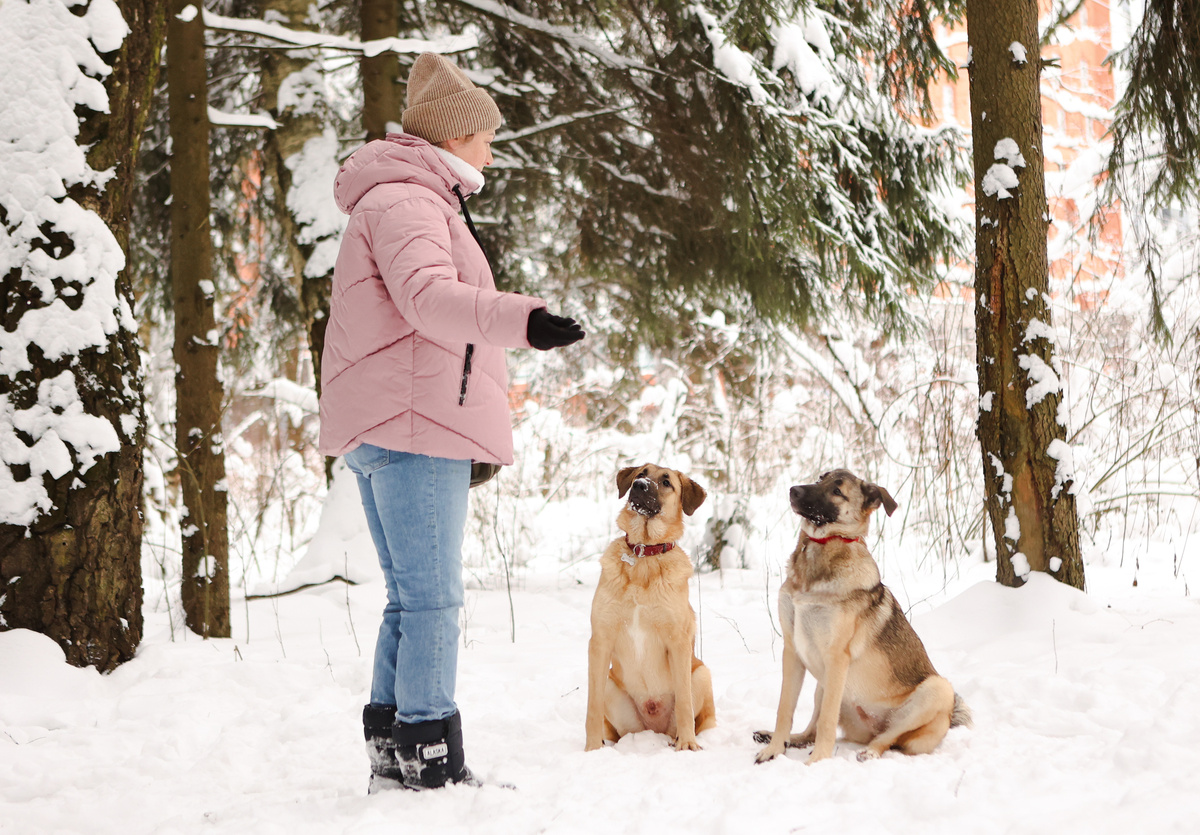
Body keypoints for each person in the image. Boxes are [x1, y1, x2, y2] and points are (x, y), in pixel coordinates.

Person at [318, 51, 584, 792]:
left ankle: (393, 749)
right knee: (433, 599)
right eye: (485, 136)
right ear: (453, 136)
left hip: (394, 422)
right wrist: (524, 321)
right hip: (412, 424)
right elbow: (429, 299)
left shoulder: (407, 196)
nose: (491, 150)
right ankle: (431, 757)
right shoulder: (407, 200)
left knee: (410, 596)